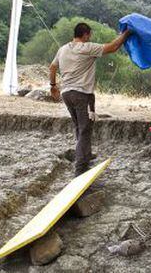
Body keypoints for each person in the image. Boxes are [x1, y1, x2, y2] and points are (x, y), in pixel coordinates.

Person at [49, 22, 131, 176]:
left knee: (81, 126)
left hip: (67, 94)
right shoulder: (86, 48)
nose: (89, 37)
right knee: (85, 129)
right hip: (82, 95)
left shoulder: (63, 49)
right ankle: (80, 168)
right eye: (89, 35)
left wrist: (53, 85)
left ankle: (86, 154)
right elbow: (113, 47)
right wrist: (127, 34)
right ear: (86, 34)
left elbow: (52, 67)